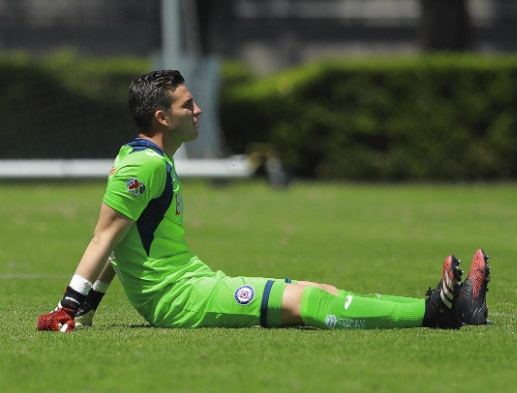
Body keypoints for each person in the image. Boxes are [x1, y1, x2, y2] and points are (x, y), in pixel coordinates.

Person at [37, 70, 491, 333]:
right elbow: (104, 236)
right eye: (187, 105)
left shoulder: (150, 160)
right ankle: (434, 312)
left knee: (323, 292)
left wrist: (88, 311)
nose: (197, 111)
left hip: (194, 283)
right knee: (307, 302)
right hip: (179, 301)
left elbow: (120, 242)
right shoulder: (145, 166)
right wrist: (69, 309)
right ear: (162, 117)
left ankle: (455, 308)